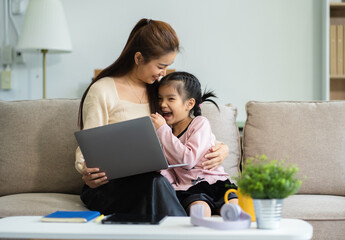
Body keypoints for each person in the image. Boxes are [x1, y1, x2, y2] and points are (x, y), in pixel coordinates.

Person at [75, 18, 229, 217]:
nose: (164, 72)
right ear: (139, 58)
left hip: (155, 182)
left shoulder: (160, 93)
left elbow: (189, 131)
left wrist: (223, 148)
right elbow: (87, 148)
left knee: (158, 182)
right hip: (109, 187)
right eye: (160, 66)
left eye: (168, 66)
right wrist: (87, 171)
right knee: (156, 183)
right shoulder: (103, 90)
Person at [151, 71, 238, 217]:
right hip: (190, 189)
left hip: (217, 182)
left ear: (189, 103)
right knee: (200, 211)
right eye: (160, 99)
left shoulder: (199, 123)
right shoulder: (165, 134)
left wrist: (162, 129)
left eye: (170, 99)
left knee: (234, 211)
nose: (162, 104)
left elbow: (187, 160)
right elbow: (169, 170)